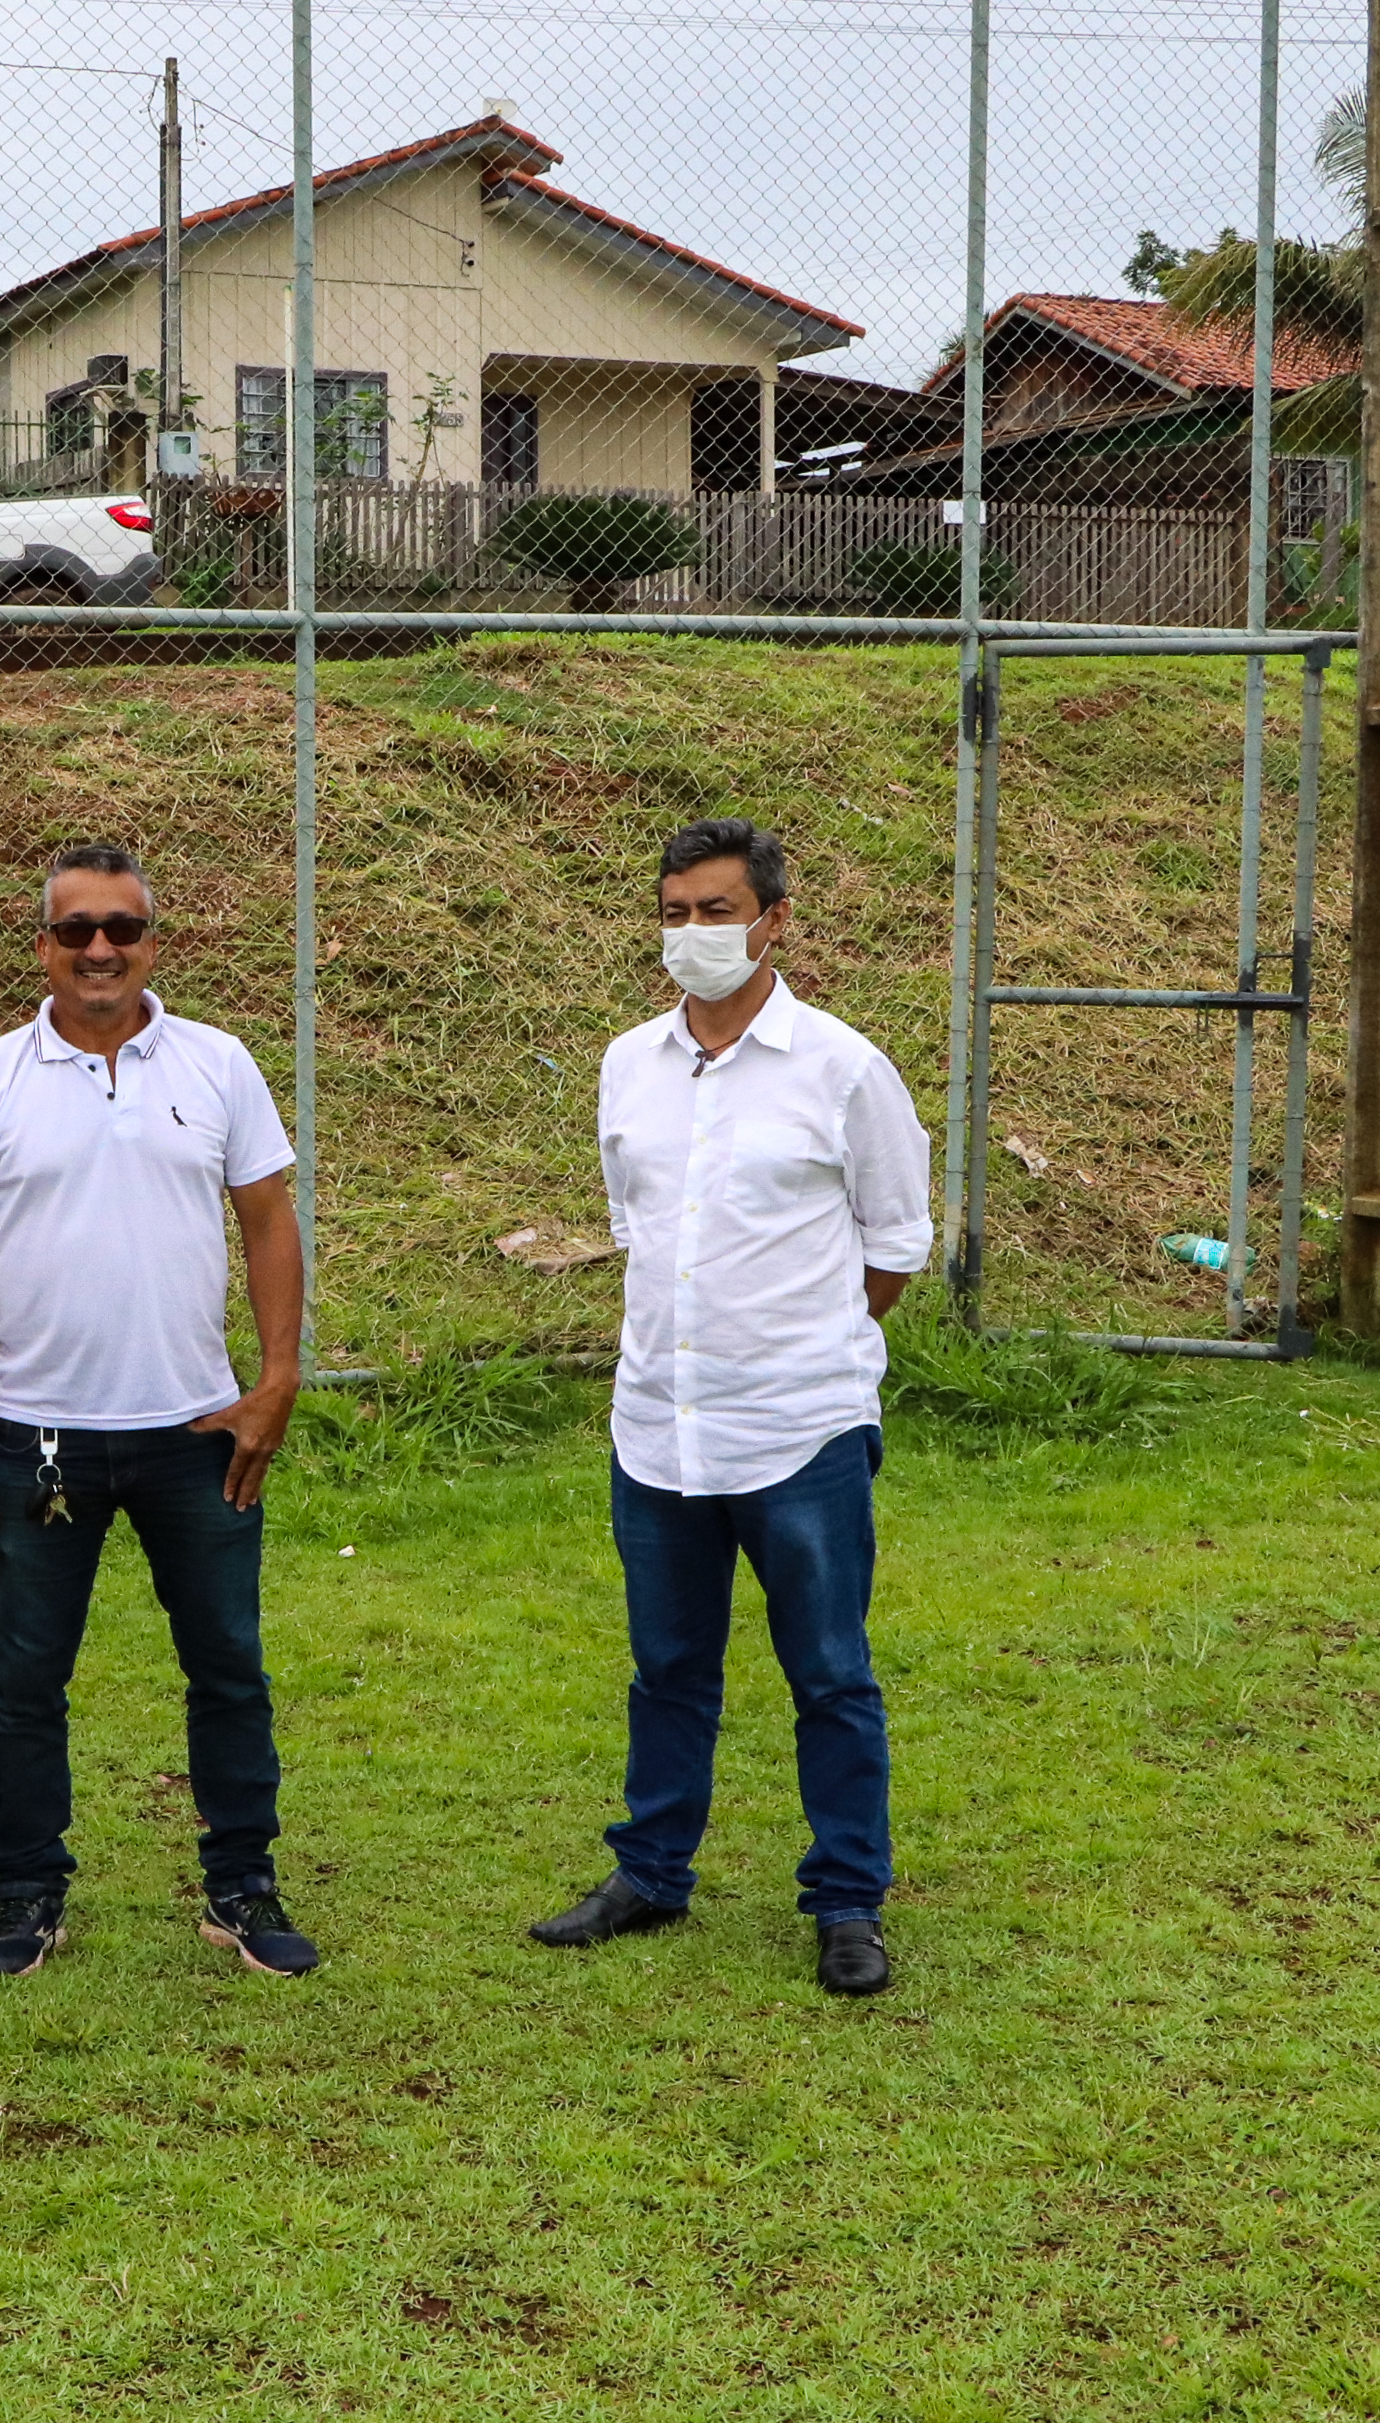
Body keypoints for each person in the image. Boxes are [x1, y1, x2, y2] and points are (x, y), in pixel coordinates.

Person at [528, 816, 930, 1998]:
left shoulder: (842, 1067)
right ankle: (651, 1870)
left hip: (799, 1428)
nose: (693, 932)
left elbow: (894, 1242)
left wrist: (799, 1343)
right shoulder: (627, 1064)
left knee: (829, 1671)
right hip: (658, 1426)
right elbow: (635, 1225)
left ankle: (846, 1898)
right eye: (676, 912)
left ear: (773, 920)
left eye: (716, 910)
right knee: (666, 1664)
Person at [0, 844, 318, 1980]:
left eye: (122, 929)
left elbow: (268, 1220)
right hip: (36, 1436)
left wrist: (277, 1378)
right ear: (42, 946)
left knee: (228, 1665)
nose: (100, 949)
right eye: (77, 929)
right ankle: (25, 1889)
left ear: (152, 941)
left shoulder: (218, 1062)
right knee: (26, 1679)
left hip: (197, 1434)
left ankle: (241, 1884)